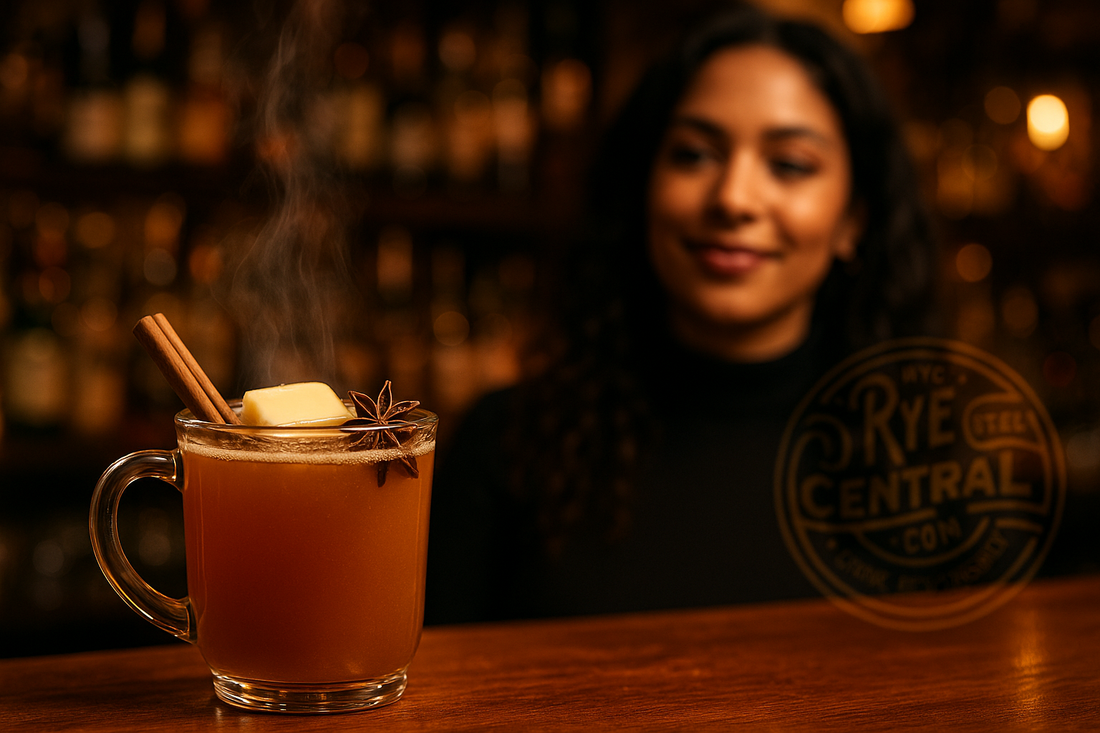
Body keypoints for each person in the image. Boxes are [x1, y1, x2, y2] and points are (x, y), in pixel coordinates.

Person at [425, 1, 939, 625]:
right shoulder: (509, 444)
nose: (734, 198)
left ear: (853, 220)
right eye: (694, 155)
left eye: (789, 165)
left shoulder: (929, 467)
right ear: (642, 188)